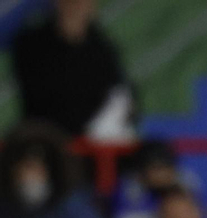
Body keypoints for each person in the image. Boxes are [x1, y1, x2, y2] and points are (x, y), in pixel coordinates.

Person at [10, 0, 134, 141]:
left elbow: (126, 93)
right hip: (49, 141)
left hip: (98, 141)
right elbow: (41, 102)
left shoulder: (102, 46)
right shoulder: (30, 45)